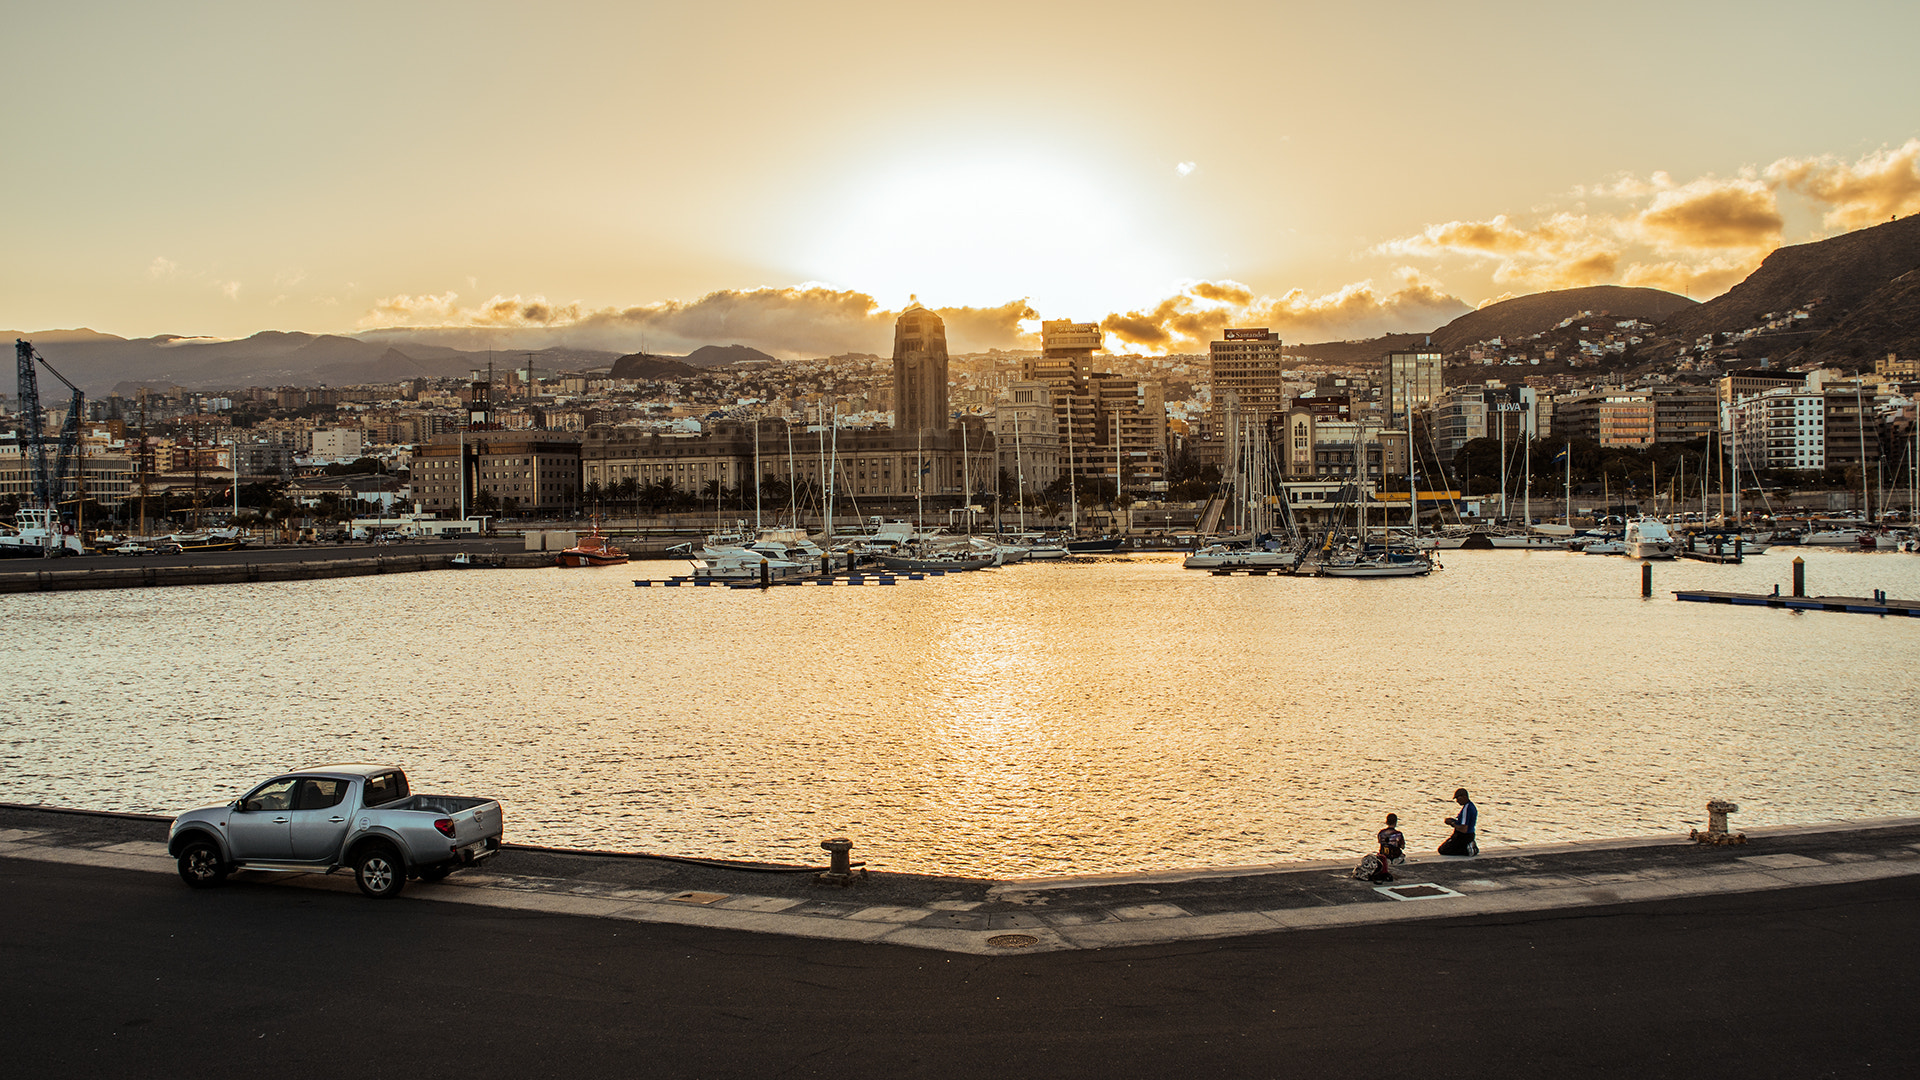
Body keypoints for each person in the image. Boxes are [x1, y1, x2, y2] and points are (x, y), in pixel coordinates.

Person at [1354, 813, 1406, 882]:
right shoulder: (1398, 834)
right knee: (1402, 855)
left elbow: (1381, 842)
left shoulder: (1381, 833)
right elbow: (1402, 846)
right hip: (1395, 856)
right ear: (1396, 822)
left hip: (1384, 856)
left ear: (1386, 822)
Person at [1438, 787, 1478, 856]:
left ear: (1464, 797)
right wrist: (1453, 820)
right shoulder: (1470, 806)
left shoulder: (1467, 809)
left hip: (1464, 836)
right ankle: (1467, 845)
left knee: (1443, 850)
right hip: (1469, 834)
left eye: (1458, 798)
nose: (1457, 801)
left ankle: (1467, 849)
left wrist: (1452, 823)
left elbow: (1464, 829)